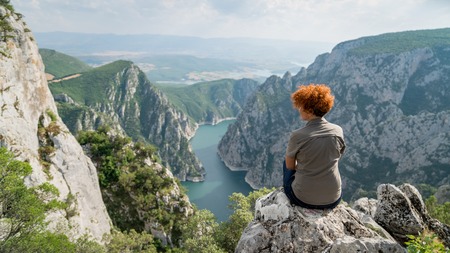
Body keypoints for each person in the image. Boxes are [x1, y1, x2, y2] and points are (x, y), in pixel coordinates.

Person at [283, 83, 345, 211]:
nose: (299, 109)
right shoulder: (338, 131)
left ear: (309, 111)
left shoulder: (298, 135)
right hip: (334, 199)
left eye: (301, 106)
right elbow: (338, 156)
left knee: (286, 162)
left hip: (302, 199)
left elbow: (290, 166)